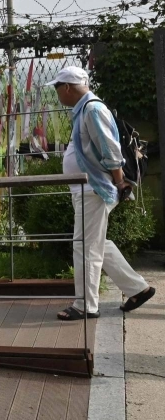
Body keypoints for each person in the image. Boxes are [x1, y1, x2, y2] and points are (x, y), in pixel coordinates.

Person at [47, 67, 156, 320]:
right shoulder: (85, 110)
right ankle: (138, 289)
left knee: (86, 248)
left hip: (94, 189)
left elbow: (111, 151)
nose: (57, 95)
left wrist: (120, 183)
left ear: (66, 87)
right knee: (94, 243)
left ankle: (85, 305)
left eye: (57, 89)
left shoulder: (93, 110)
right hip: (87, 188)